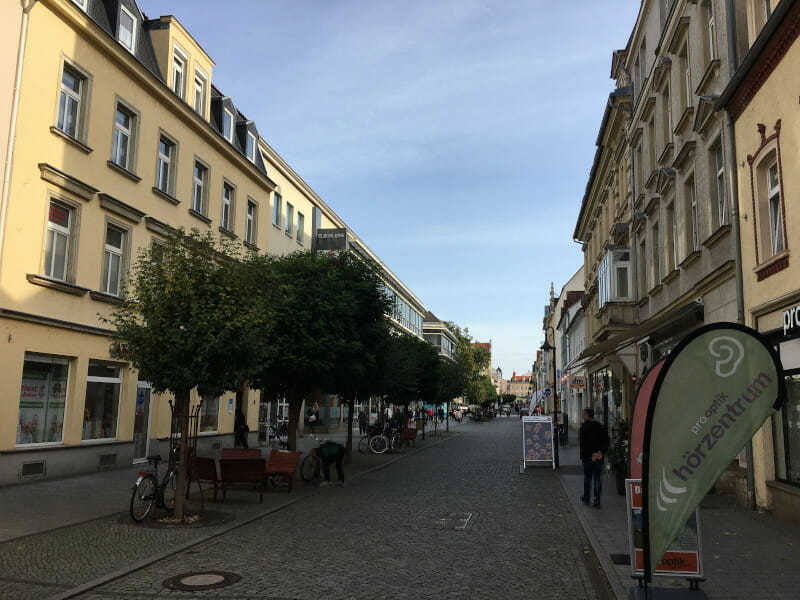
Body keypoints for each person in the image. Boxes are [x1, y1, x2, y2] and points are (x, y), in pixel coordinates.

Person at [580, 407, 609, 508]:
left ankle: (587, 497)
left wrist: (590, 455)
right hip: (599, 457)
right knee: (597, 478)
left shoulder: (584, 427)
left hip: (588, 457)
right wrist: (600, 452)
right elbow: (606, 441)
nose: (582, 416)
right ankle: (597, 500)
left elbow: (583, 444)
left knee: (588, 478)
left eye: (583, 414)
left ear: (587, 415)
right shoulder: (600, 427)